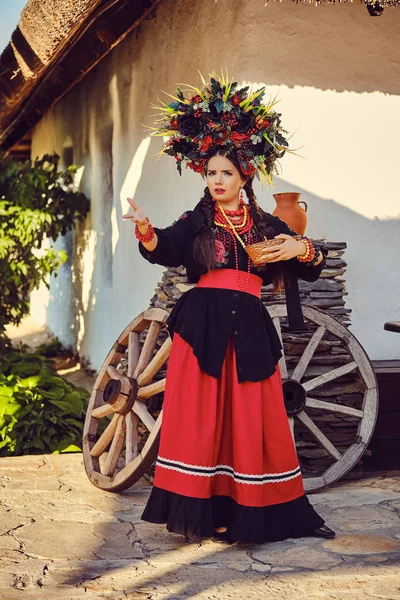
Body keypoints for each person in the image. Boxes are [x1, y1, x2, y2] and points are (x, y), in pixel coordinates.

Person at [123, 74, 335, 544]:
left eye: (226, 174)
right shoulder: (196, 220)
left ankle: (269, 512)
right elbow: (164, 248)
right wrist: (145, 229)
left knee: (258, 421)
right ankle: (208, 512)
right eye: (211, 173)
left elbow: (314, 263)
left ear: (244, 179)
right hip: (203, 326)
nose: (217, 180)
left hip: (250, 327)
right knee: (201, 421)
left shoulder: (265, 224)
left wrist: (297, 247)